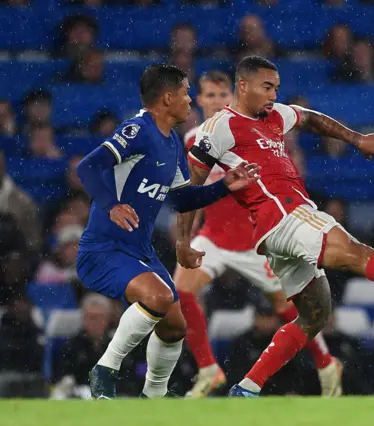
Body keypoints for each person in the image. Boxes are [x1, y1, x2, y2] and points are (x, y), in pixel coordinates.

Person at [181, 55, 374, 397]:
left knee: (315, 315)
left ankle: (247, 386)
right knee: (357, 254)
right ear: (242, 86)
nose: (273, 95)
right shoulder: (220, 127)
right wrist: (184, 241)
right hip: (286, 216)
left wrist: (356, 139)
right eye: (267, 87)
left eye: (276, 88)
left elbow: (312, 119)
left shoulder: (273, 116)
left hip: (274, 235)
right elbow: (190, 190)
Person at [74, 64, 260, 399]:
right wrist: (112, 204)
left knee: (175, 326)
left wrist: (226, 187)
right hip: (104, 249)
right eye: (187, 92)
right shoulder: (137, 130)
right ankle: (104, 369)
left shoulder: (172, 143)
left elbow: (182, 198)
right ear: (168, 98)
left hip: (139, 252)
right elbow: (87, 166)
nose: (190, 100)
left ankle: (155, 396)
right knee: (159, 298)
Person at [174, 70, 342, 398]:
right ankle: (209, 369)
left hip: (256, 242)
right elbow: (195, 190)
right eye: (209, 95)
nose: (216, 101)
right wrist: (188, 231)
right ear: (200, 100)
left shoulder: (247, 131)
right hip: (214, 238)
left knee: (291, 307)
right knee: (181, 291)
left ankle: (326, 363)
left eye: (222, 95)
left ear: (231, 98)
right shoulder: (192, 139)